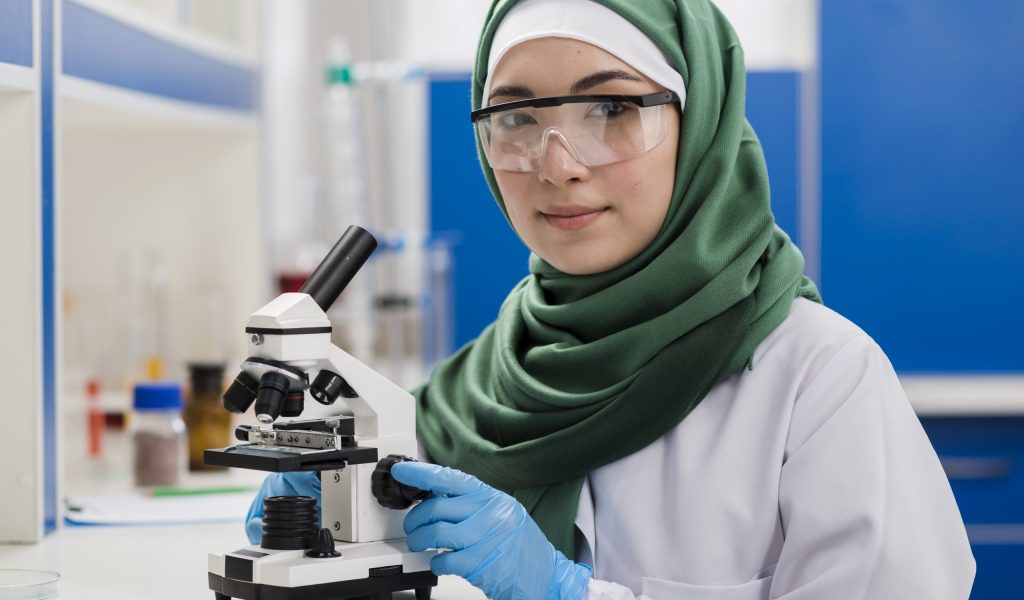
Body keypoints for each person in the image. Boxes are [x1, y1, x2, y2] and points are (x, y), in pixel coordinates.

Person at [248, 0, 976, 598]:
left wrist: (571, 594)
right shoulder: (478, 385)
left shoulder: (818, 378)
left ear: (701, 125)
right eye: (517, 118)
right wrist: (340, 507)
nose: (558, 166)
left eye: (611, 108)